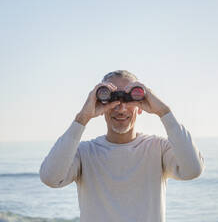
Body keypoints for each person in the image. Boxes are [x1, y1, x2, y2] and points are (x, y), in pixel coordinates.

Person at [39, 70, 205, 222]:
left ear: (141, 106)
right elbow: (51, 178)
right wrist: (82, 118)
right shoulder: (84, 153)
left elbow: (192, 169)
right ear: (100, 105)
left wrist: (164, 111)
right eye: (112, 98)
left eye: (129, 98)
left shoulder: (158, 148)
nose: (121, 108)